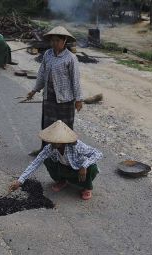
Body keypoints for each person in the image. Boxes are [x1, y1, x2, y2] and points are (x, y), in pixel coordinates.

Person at [25, 26, 83, 156]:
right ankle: (44, 151)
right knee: (48, 126)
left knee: (66, 128)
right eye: (53, 40)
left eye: (57, 40)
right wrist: (34, 90)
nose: (54, 43)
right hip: (49, 97)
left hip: (65, 99)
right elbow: (41, 74)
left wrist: (78, 100)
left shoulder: (70, 58)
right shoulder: (48, 54)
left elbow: (75, 80)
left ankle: (67, 153)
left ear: (64, 41)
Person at [9, 120, 102, 200]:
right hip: (64, 168)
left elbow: (98, 153)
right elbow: (35, 163)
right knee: (47, 160)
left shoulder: (76, 145)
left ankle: (87, 187)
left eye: (57, 140)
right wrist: (20, 181)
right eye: (52, 140)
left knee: (92, 167)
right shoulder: (50, 148)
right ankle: (62, 180)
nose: (53, 143)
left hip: (78, 170)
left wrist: (84, 166)